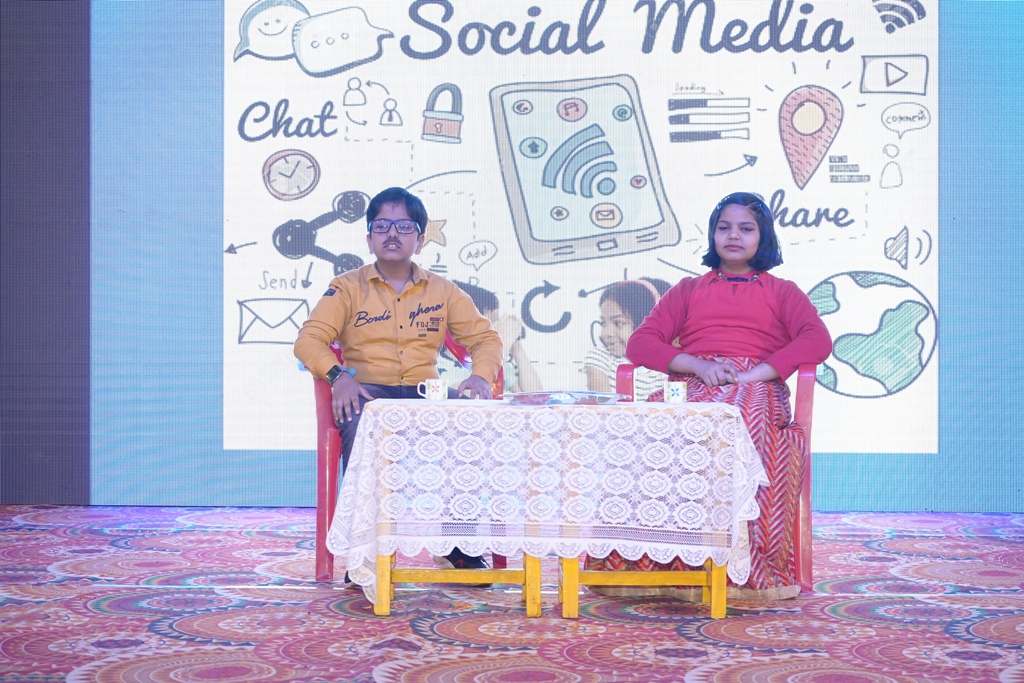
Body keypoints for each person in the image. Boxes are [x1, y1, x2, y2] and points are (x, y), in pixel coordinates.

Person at [587, 192, 832, 600]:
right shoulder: (687, 290)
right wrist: (698, 366)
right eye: (724, 228)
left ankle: (736, 570)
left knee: (736, 417)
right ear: (712, 235)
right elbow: (640, 344)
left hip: (756, 386)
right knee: (650, 429)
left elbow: (817, 340)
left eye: (746, 228)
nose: (733, 236)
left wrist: (754, 373)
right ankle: (651, 566)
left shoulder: (782, 292)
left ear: (763, 236)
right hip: (695, 382)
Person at [294, 187, 503, 572]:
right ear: (369, 239)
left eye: (404, 227)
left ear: (420, 241)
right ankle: (366, 555)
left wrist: (480, 376)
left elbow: (486, 339)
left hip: (426, 391)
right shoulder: (346, 287)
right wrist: (338, 376)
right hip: (368, 392)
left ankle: (456, 543)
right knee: (360, 420)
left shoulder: (443, 290)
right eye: (382, 226)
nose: (392, 234)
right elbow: (308, 340)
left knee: (471, 421)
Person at [439, 280, 543, 394]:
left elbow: (535, 396)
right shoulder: (435, 362)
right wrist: (501, 343)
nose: (495, 329)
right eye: (493, 321)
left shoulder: (496, 362)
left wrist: (517, 349)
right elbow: (473, 399)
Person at [582, 278, 670, 398]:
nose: (606, 333)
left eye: (618, 323)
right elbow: (604, 406)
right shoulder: (600, 358)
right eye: (603, 323)